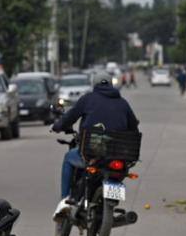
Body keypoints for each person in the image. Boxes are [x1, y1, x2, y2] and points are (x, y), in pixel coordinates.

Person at [51, 71, 140, 220]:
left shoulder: (88, 99)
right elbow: (134, 129)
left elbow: (69, 118)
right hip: (119, 156)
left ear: (95, 84)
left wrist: (57, 126)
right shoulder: (123, 103)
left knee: (68, 158)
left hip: (92, 153)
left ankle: (65, 201)